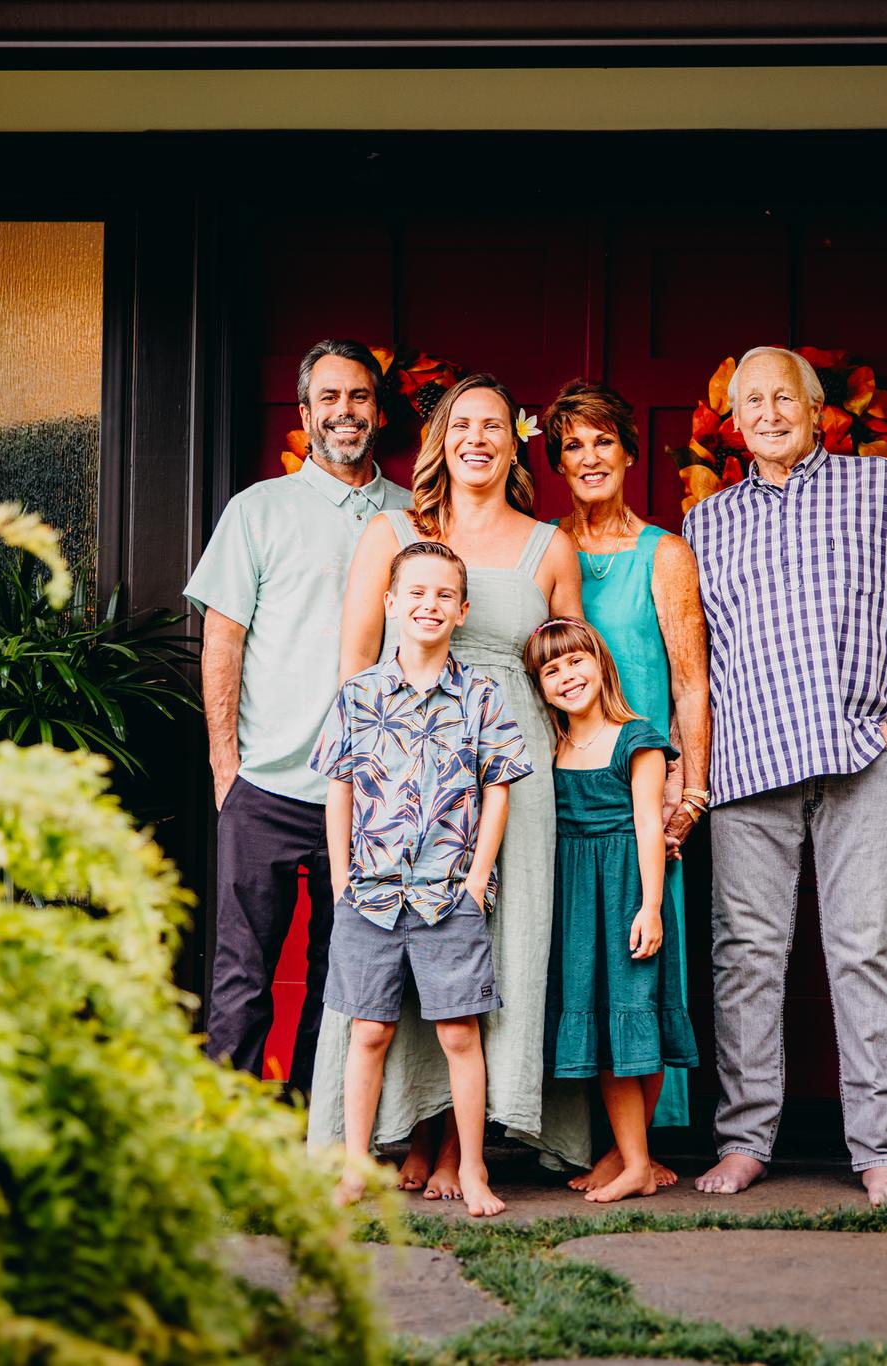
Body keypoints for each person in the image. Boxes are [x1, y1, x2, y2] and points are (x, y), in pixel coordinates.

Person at [684, 346, 887, 1209]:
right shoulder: (706, 521)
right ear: (734, 421)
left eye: (783, 397)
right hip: (749, 761)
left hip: (861, 756)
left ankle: (881, 1150)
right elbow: (696, 660)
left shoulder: (882, 490)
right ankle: (743, 1142)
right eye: (750, 401)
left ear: (815, 407)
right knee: (746, 959)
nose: (767, 412)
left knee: (865, 948)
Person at [305, 372, 589, 1195]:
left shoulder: (550, 545)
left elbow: (569, 664)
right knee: (393, 951)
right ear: (441, 440)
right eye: (461, 423)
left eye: (494, 425)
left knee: (486, 946)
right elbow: (356, 660)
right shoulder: (394, 530)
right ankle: (407, 1138)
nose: (476, 438)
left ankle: (468, 1149)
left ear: (514, 442)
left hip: (509, 770)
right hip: (401, 777)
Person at [184, 339, 411, 1096]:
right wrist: (226, 765)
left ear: (378, 411)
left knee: (343, 979)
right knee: (243, 973)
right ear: (307, 412)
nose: (344, 412)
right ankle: (229, 1136)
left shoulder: (413, 515)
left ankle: (318, 1132)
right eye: (329, 398)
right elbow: (223, 640)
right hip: (270, 783)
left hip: (377, 794)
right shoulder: (259, 510)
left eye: (358, 397)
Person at [315, 541, 531, 1218]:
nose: (429, 605)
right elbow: (338, 788)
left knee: (459, 1034)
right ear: (391, 605)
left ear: (462, 610)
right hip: (369, 894)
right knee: (369, 1032)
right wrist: (340, 876)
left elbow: (498, 790)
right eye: (417, 593)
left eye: (443, 595)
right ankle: (354, 1167)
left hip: (448, 894)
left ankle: (471, 1169)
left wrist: (476, 880)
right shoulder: (359, 694)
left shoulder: (481, 695)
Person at [542, 378, 711, 1190]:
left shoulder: (664, 552)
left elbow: (689, 683)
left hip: (646, 794)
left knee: (642, 970)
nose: (589, 457)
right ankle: (602, 1142)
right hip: (570, 797)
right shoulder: (548, 547)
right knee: (583, 969)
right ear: (556, 463)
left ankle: (641, 1150)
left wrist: (693, 790)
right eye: (572, 445)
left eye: (602, 440)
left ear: (630, 452)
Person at [524, 617, 698, 1204]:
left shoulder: (636, 737)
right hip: (574, 900)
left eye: (577, 661)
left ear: (600, 664)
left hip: (627, 891)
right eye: (551, 670)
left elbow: (650, 825)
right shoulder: (552, 746)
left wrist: (650, 907)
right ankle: (633, 1158)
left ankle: (633, 1163)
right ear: (540, 686)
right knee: (602, 1026)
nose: (567, 676)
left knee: (634, 1017)